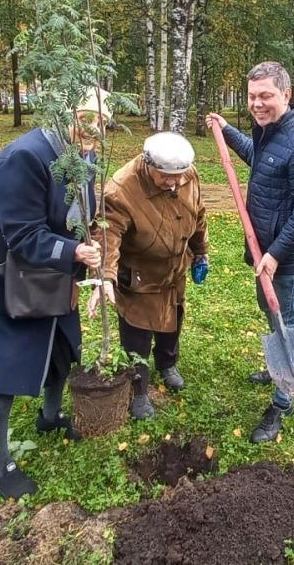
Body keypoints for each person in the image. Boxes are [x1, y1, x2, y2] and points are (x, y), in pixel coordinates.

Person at [0, 89, 110, 500]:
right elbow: (22, 233)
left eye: (101, 123)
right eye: (87, 120)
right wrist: (73, 251)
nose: (95, 131)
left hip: (53, 265)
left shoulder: (83, 155)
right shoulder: (24, 157)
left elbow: (83, 213)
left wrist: (83, 253)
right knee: (2, 365)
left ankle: (50, 415)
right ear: (65, 117)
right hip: (6, 271)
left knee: (60, 343)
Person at [205, 61, 294, 443]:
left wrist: (274, 255)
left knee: (286, 317)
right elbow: (262, 162)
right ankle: (276, 367)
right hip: (264, 253)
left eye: (266, 96)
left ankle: (282, 400)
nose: (257, 104)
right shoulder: (268, 133)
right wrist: (227, 131)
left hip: (283, 257)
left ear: (286, 95)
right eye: (252, 96)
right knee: (269, 311)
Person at [93, 132, 208, 420]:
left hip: (174, 269)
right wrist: (105, 277)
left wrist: (200, 251)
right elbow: (108, 235)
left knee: (173, 319)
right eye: (166, 176)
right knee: (137, 333)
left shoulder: (187, 175)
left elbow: (199, 213)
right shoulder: (121, 189)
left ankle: (168, 364)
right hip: (139, 276)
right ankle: (139, 389)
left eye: (179, 176)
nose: (174, 182)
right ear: (147, 164)